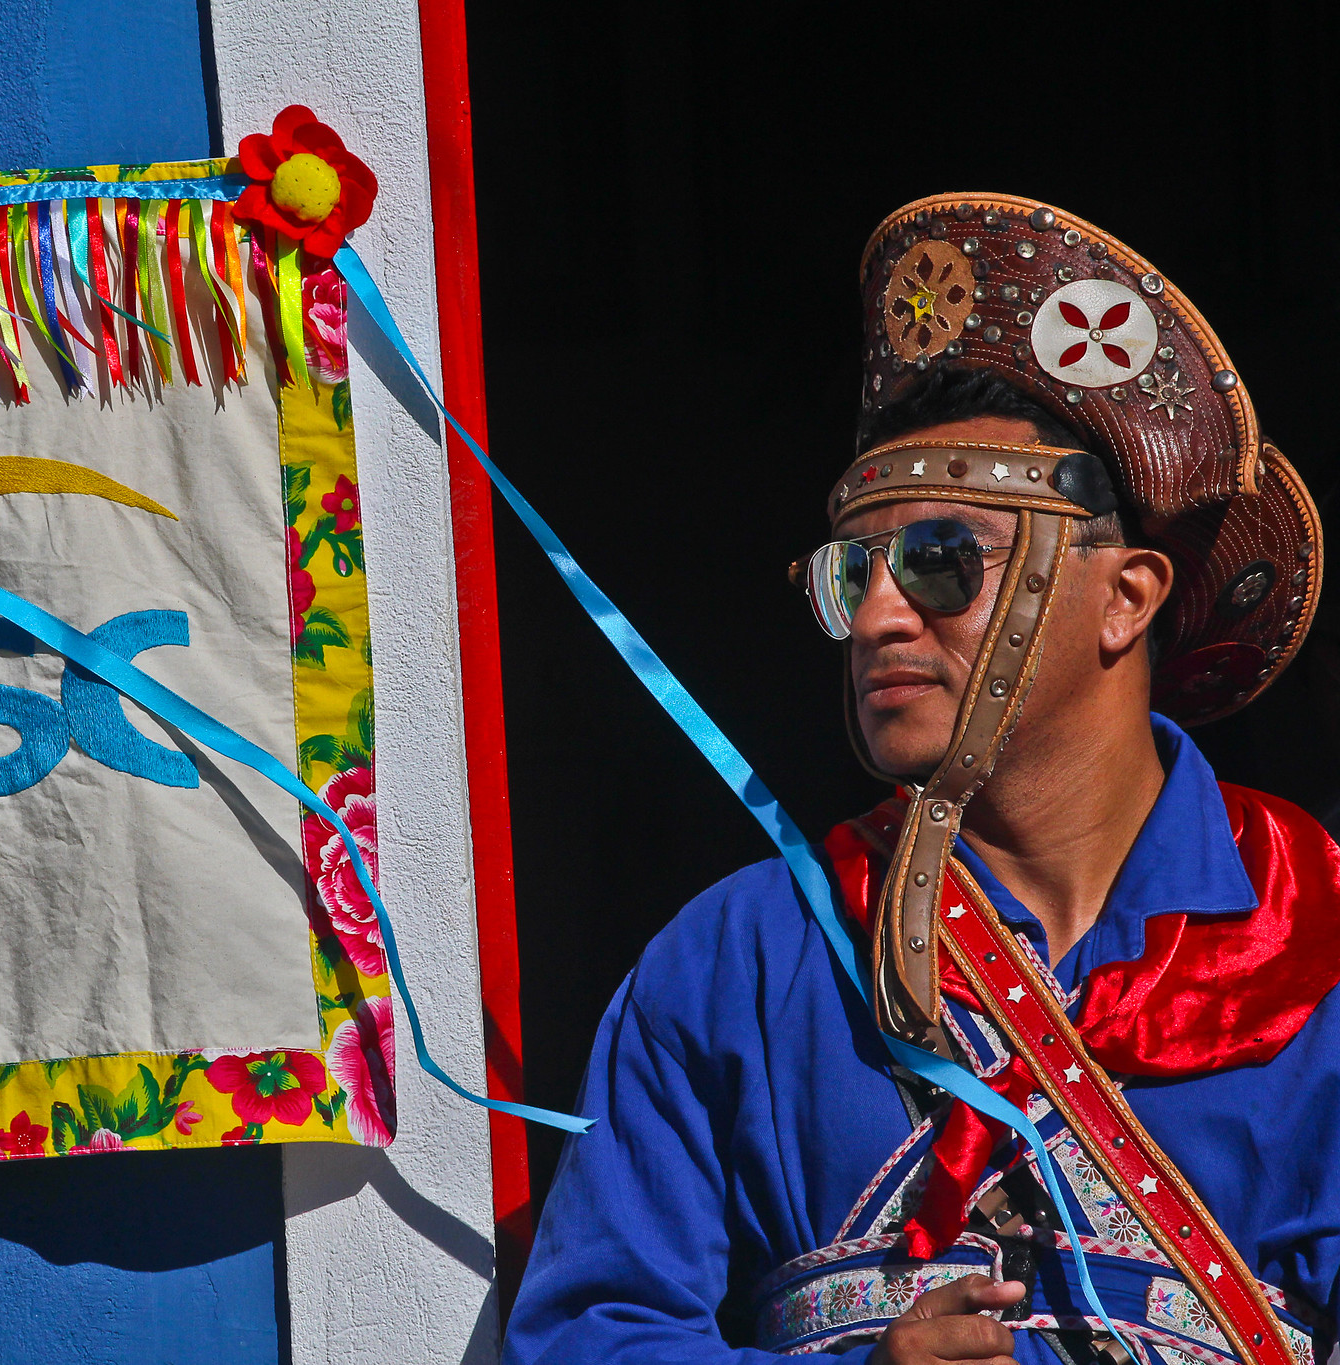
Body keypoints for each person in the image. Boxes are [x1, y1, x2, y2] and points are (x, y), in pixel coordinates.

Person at [503, 195, 1340, 1365]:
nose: (878, 618)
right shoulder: (734, 960)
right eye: (851, 576)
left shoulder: (1317, 929)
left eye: (941, 563)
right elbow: (590, 1338)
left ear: (1124, 597)